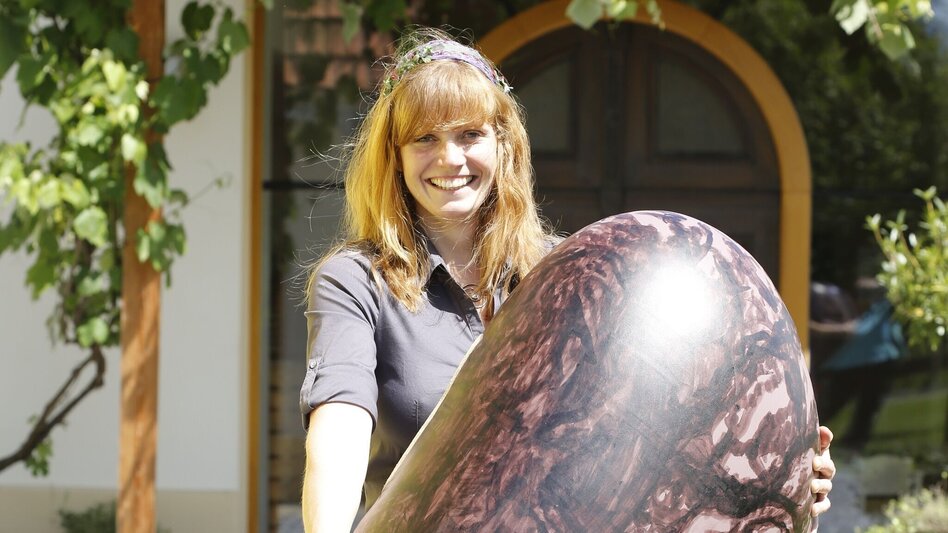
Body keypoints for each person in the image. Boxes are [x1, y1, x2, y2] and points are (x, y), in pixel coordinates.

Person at [299, 28, 836, 533]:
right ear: (393, 157)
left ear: (503, 144)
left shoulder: (573, 272)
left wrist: (778, 471)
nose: (450, 158)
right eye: (424, 139)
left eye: (470, 135)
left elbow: (653, 426)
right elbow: (340, 434)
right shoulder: (356, 282)